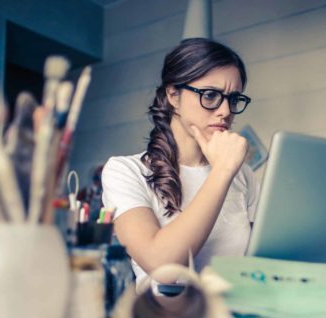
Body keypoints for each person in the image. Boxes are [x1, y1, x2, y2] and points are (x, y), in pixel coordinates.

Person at [102, 38, 259, 287]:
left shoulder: (244, 176)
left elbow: (256, 265)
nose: (226, 111)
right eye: (210, 95)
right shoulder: (125, 171)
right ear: (173, 95)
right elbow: (163, 268)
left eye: (233, 99)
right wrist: (222, 171)